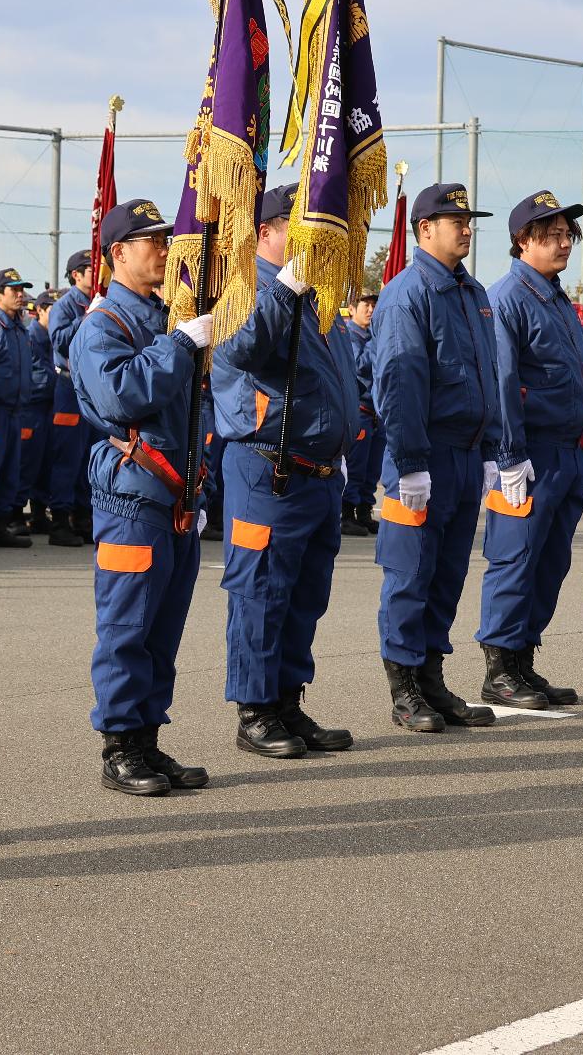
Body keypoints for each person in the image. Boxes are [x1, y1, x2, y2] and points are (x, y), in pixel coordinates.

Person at [71, 201, 216, 795]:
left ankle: (147, 739)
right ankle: (120, 745)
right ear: (117, 254)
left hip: (175, 495)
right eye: (149, 240)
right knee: (127, 626)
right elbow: (120, 397)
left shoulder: (164, 317)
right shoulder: (103, 324)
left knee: (162, 629)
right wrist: (180, 346)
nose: (164, 248)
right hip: (132, 497)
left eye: (165, 238)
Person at [212, 182, 358, 759]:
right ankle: (254, 711)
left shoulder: (315, 298)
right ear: (267, 232)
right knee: (260, 594)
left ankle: (287, 703)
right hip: (266, 472)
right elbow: (243, 351)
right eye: (297, 226)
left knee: (303, 596)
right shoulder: (244, 292)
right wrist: (287, 286)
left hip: (318, 474)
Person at [370, 183, 499, 733]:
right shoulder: (409, 293)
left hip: (467, 456)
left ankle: (431, 677)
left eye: (469, 220)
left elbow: (488, 377)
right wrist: (409, 461)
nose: (466, 227)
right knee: (410, 573)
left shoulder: (472, 293)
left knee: (446, 573)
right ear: (425, 229)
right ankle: (403, 687)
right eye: (455, 220)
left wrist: (492, 450)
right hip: (423, 458)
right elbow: (398, 383)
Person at [478, 189, 583, 710]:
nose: (564, 243)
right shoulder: (509, 298)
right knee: (515, 558)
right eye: (552, 235)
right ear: (523, 241)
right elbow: (502, 382)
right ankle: (500, 665)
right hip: (530, 454)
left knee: (550, 562)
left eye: (567, 235)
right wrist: (508, 456)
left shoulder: (557, 298)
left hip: (565, 451)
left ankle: (523, 657)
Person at [0, 267, 37, 549]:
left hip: (16, 411)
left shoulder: (19, 327)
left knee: (10, 470)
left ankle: (0, 524)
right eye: (14, 290)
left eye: (22, 290)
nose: (20, 295)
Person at [47, 253, 102, 546]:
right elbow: (59, 341)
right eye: (91, 268)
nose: (97, 272)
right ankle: (59, 520)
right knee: (67, 458)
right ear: (76, 275)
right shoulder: (65, 305)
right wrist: (86, 318)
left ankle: (83, 515)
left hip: (91, 389)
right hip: (68, 388)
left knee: (90, 456)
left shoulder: (98, 300)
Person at [339, 291, 381, 535]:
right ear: (352, 309)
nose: (371, 309)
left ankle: (364, 511)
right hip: (359, 410)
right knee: (355, 466)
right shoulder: (349, 335)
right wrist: (378, 340)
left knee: (371, 468)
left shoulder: (369, 336)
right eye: (365, 304)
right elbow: (360, 366)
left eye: (374, 304)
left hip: (376, 412)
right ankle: (347, 513)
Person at [21, 288, 58, 533]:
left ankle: (38, 511)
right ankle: (13, 513)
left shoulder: (52, 337)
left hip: (48, 407)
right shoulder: (31, 337)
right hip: (32, 408)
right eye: (53, 311)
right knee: (27, 462)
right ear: (41, 311)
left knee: (45, 461)